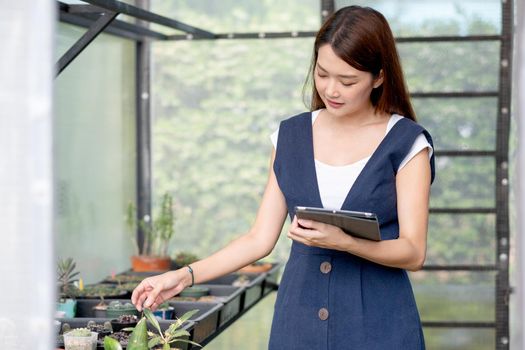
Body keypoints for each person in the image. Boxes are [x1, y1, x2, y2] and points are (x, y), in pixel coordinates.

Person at [132, 5, 435, 349]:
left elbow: (413, 251)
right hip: (299, 322)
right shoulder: (290, 137)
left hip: (380, 324)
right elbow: (259, 239)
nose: (331, 90)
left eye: (347, 81)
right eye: (322, 74)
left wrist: (345, 242)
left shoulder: (408, 142)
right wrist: (182, 276)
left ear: (378, 77)